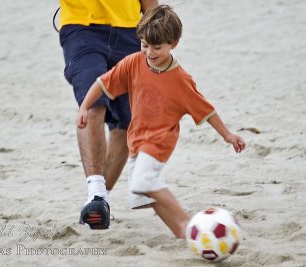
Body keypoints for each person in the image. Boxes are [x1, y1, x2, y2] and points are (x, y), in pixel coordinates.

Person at [76, 5, 246, 238]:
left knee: (145, 181)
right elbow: (103, 82)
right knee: (141, 190)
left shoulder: (180, 80)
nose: (150, 53)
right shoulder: (134, 62)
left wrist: (227, 135)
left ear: (173, 44)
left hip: (159, 141)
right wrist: (85, 107)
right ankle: (181, 232)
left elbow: (205, 109)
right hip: (136, 140)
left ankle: (187, 223)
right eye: (145, 45)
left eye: (157, 47)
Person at [58, 0, 159, 230]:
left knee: (128, 120)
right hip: (82, 27)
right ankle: (95, 193)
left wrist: (155, 35)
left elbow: (150, 4)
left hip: (132, 31)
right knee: (92, 103)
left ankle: (101, 201)